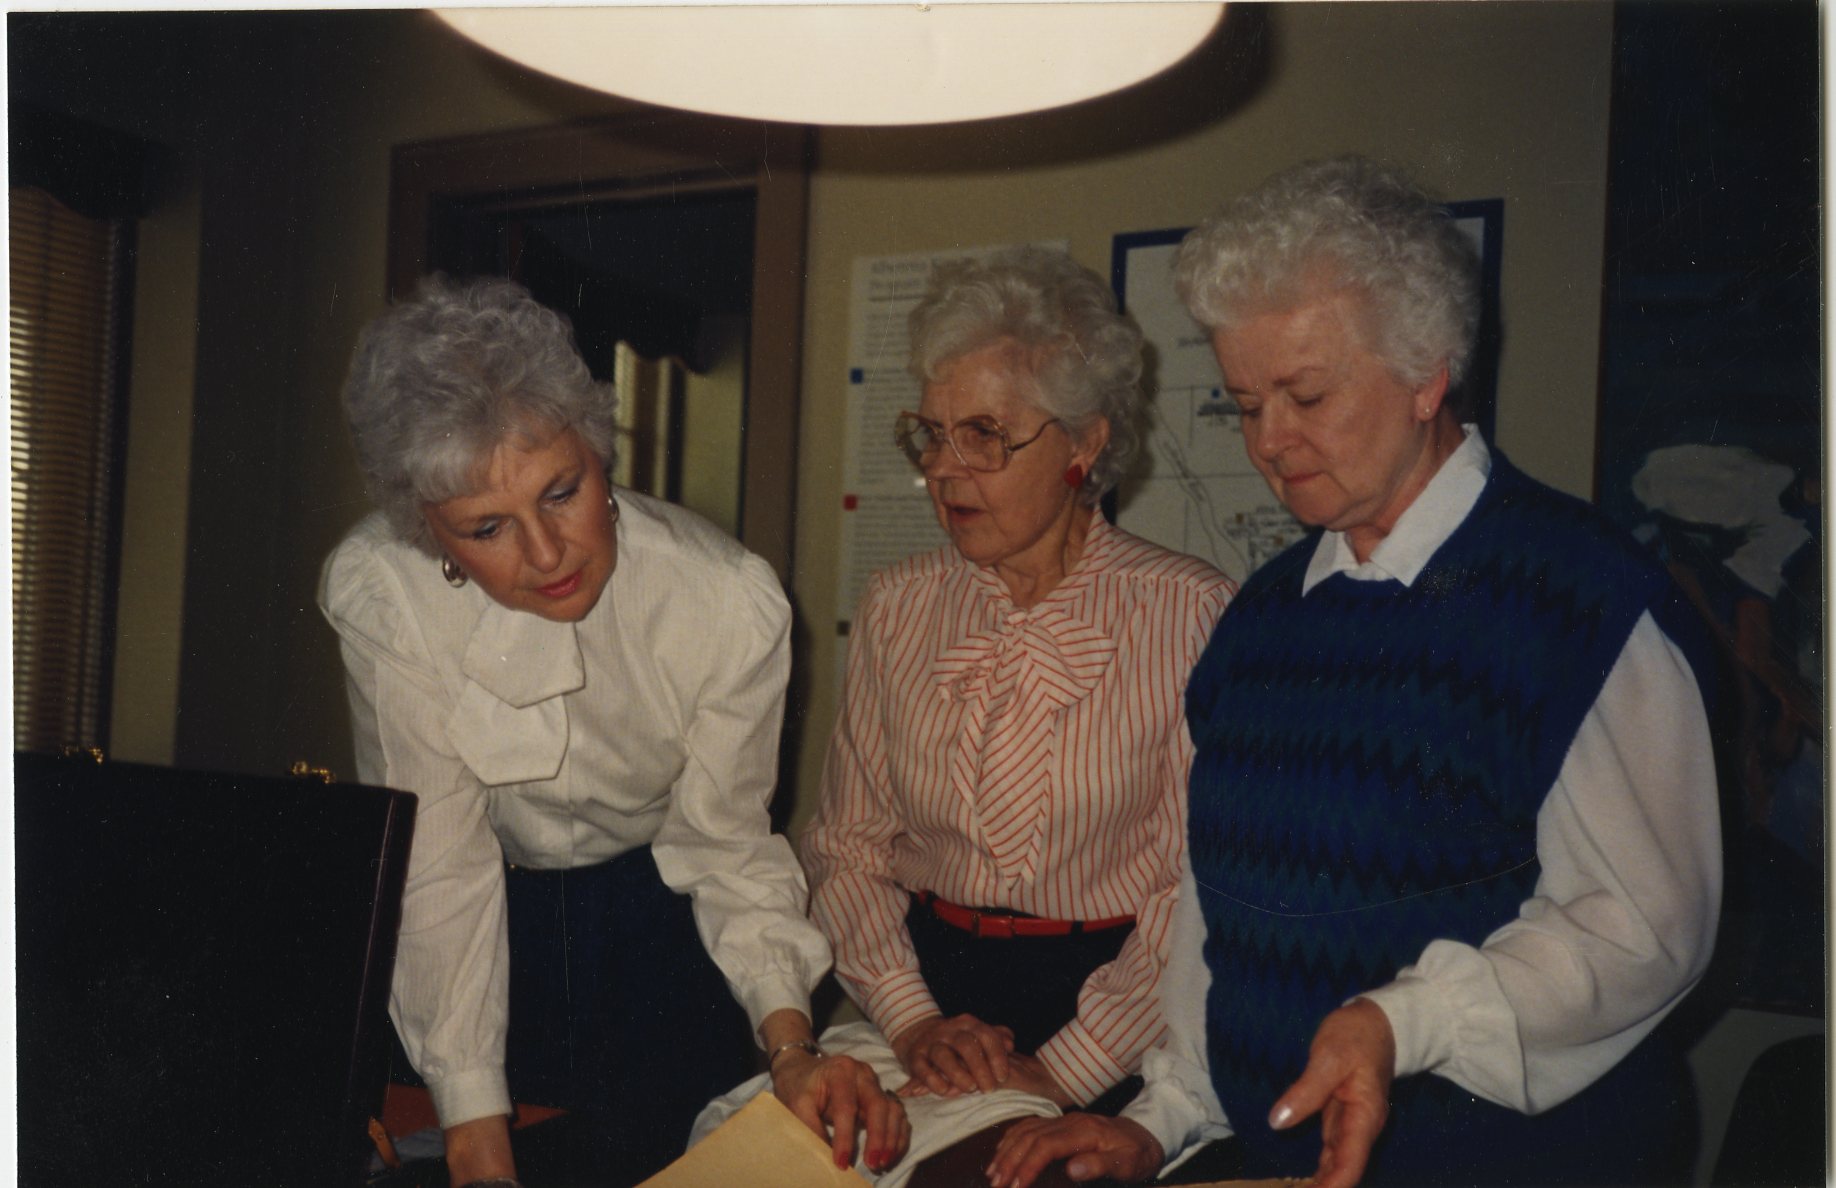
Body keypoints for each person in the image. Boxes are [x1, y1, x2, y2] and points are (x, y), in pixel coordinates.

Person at [986, 157, 1722, 1188]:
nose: (1271, 443)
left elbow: (1644, 931)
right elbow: (1219, 918)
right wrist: (1167, 1116)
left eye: (1306, 394)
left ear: (1428, 373)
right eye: (1245, 404)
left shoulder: (1582, 602)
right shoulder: (1260, 620)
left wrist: (1402, 1020)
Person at [319, 275, 907, 1188]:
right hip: (475, 925)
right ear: (426, 529)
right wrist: (478, 1145)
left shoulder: (722, 600)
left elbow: (723, 844)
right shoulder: (386, 597)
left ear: (601, 447)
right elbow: (441, 865)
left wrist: (791, 1045)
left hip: (655, 917)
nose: (547, 555)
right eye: (485, 528)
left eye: (563, 490)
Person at [802, 248, 1235, 1122]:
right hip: (924, 1006)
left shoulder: (1194, 614)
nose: (944, 470)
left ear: (1085, 443)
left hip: (1115, 1017)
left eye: (985, 435)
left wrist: (1067, 1071)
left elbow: (1194, 890)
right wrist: (914, 1020)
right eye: (932, 432)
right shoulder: (898, 606)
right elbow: (847, 848)